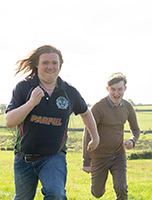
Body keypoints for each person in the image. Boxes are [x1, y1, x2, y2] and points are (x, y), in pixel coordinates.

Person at [5, 45, 100, 200]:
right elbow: (9, 121)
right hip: (24, 158)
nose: (50, 67)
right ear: (37, 65)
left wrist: (95, 137)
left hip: (54, 156)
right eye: (45, 62)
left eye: (54, 63)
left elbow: (86, 113)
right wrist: (31, 103)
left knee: (56, 194)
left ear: (60, 66)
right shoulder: (24, 87)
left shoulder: (69, 92)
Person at [82, 72, 140, 200]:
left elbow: (135, 129)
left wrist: (132, 140)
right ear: (107, 89)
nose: (116, 93)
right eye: (113, 89)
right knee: (97, 193)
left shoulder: (128, 107)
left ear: (124, 89)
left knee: (122, 188)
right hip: (99, 156)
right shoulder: (98, 107)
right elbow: (87, 134)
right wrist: (86, 161)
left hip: (118, 154)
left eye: (119, 89)